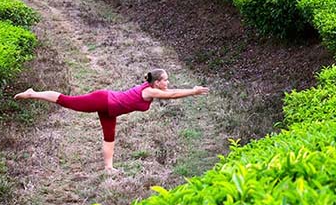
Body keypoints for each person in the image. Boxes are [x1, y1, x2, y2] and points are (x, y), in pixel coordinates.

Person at [14, 69, 209, 173]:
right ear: (157, 82)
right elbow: (173, 95)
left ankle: (108, 168)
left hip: (110, 110)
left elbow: (171, 92)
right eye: (165, 80)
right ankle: (33, 94)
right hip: (104, 100)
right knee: (67, 101)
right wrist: (193, 91)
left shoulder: (150, 87)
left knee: (109, 137)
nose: (168, 83)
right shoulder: (149, 90)